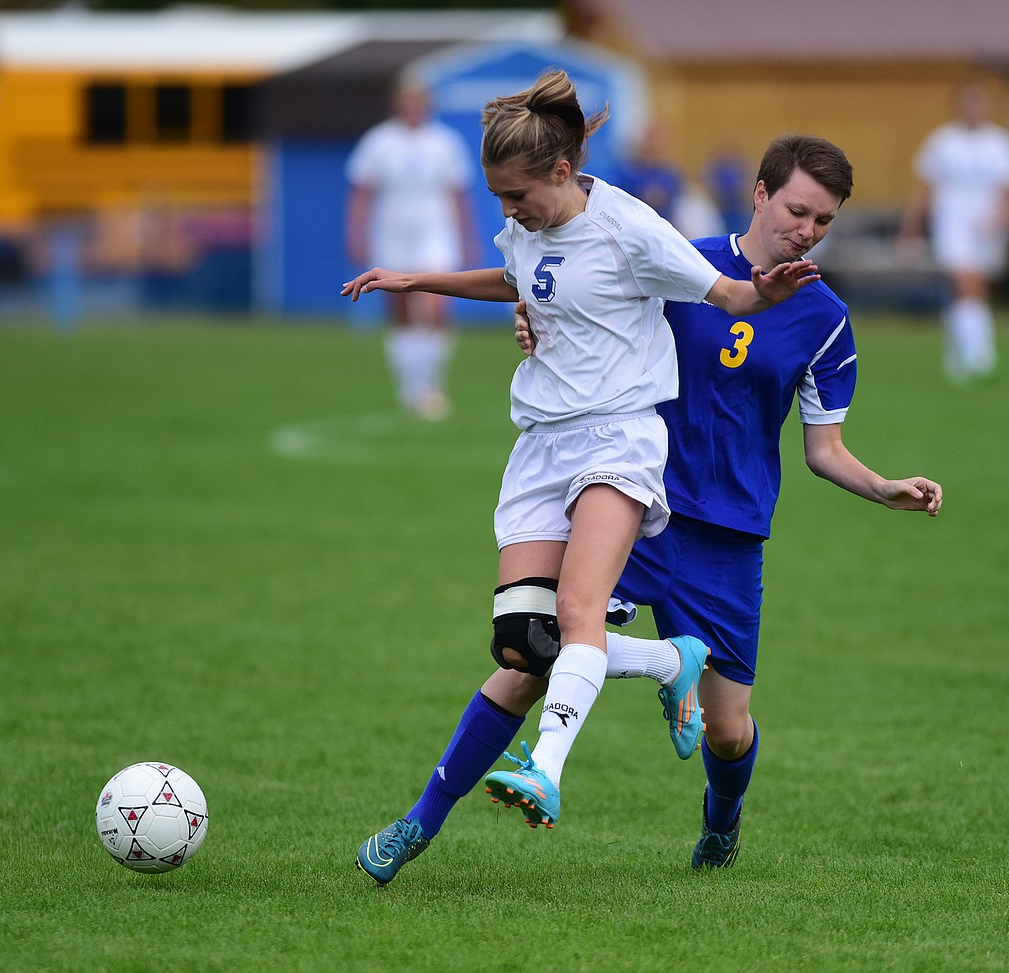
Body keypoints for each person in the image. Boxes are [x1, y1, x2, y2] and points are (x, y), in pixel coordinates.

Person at [350, 131, 944, 884]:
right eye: (798, 210)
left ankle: (721, 821)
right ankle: (416, 823)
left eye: (823, 222)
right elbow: (564, 290)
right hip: (630, 493)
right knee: (530, 653)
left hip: (726, 537)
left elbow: (823, 450)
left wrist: (884, 485)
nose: (806, 230)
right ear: (760, 192)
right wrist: (532, 319)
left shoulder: (823, 317)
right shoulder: (671, 256)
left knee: (727, 730)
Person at [344, 79, 479, 419]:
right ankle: (409, 387)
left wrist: (467, 238)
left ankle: (432, 385)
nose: (413, 107)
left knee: (436, 310)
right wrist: (356, 235)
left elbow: (458, 194)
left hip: (434, 234)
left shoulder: (445, 143)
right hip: (392, 235)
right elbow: (362, 192)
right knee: (401, 313)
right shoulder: (379, 142)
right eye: (406, 100)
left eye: (418, 100)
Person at [898, 82, 1009, 384]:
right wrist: (911, 231)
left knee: (975, 288)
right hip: (953, 228)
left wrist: (1002, 219)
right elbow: (924, 190)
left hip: (987, 230)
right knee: (965, 280)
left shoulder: (1000, 144)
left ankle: (958, 351)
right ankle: (979, 355)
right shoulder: (942, 143)